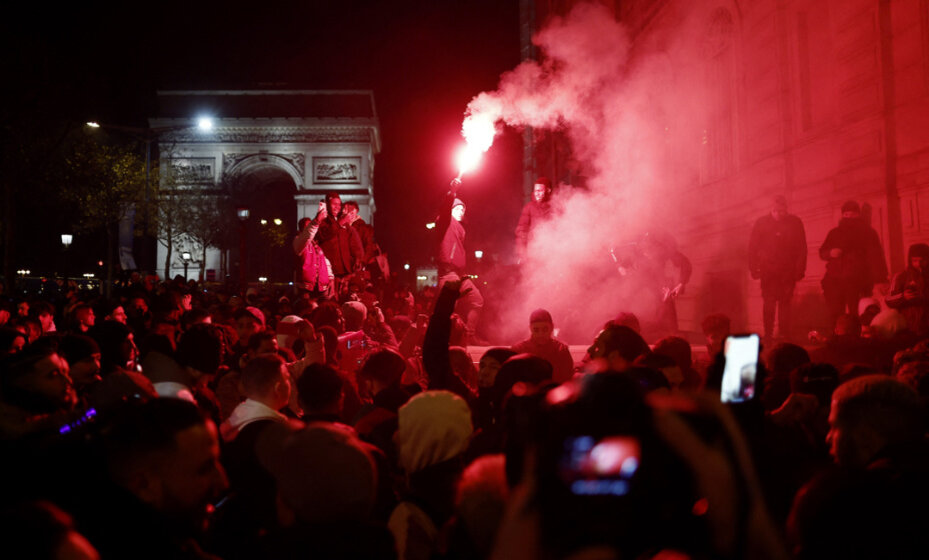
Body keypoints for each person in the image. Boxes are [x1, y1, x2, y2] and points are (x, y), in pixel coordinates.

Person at [748, 195, 807, 341]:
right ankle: (768, 334)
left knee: (785, 303)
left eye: (782, 211)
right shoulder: (761, 223)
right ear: (771, 209)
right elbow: (753, 247)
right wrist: (754, 268)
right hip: (768, 271)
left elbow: (801, 247)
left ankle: (784, 333)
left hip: (787, 271)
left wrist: (799, 270)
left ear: (786, 209)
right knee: (769, 303)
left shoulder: (795, 223)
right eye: (776, 211)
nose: (778, 215)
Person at [819, 200, 889, 321]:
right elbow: (822, 252)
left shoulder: (868, 233)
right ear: (842, 215)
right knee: (835, 313)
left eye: (853, 214)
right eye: (846, 214)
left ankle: (853, 337)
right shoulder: (834, 233)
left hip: (857, 280)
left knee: (855, 314)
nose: (849, 217)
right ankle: (837, 337)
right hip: (834, 279)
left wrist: (881, 279)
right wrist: (830, 253)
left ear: (858, 215)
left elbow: (876, 257)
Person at [435, 180, 484, 344]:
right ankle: (445, 341)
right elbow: (444, 209)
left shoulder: (461, 229)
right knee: (447, 310)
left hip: (459, 274)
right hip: (448, 274)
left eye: (463, 209)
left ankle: (469, 336)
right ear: (451, 209)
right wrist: (452, 192)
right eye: (458, 208)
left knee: (477, 300)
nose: (461, 210)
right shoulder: (444, 222)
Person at [316, 193, 364, 298]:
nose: (337, 207)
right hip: (330, 270)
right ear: (327, 204)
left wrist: (357, 258)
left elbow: (353, 242)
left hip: (345, 270)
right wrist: (342, 222)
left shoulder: (344, 222)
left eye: (339, 204)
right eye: (334, 204)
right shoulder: (322, 220)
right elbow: (324, 235)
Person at [511, 308, 574, 384]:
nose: (541, 334)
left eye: (545, 329)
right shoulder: (518, 350)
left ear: (551, 327)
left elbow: (566, 381)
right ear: (530, 328)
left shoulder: (561, 350)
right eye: (536, 330)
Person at [886, 243, 929, 337]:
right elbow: (889, 299)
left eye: (923, 261)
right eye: (915, 261)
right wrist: (903, 297)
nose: (919, 264)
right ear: (910, 260)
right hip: (909, 327)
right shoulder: (901, 277)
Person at [293, 204, 331, 298]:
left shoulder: (317, 246)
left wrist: (330, 278)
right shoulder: (299, 242)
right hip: (306, 289)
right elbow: (307, 236)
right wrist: (316, 221)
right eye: (307, 226)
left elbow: (325, 263)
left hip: (321, 288)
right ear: (302, 230)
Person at [514, 177, 553, 264]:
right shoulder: (529, 208)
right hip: (534, 255)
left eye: (540, 191)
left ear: (548, 190)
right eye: (535, 191)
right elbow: (521, 232)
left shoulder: (555, 207)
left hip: (551, 255)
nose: (537, 193)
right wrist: (523, 254)